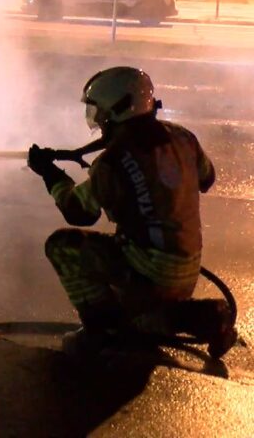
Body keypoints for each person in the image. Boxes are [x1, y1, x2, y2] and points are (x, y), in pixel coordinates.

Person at [27, 66, 235, 357]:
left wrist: (49, 174)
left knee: (62, 247)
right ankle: (201, 317)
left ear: (120, 108)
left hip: (149, 273)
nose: (98, 120)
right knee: (143, 319)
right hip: (185, 268)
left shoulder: (112, 162)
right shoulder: (183, 138)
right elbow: (207, 178)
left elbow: (79, 212)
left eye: (100, 112)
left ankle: (104, 333)